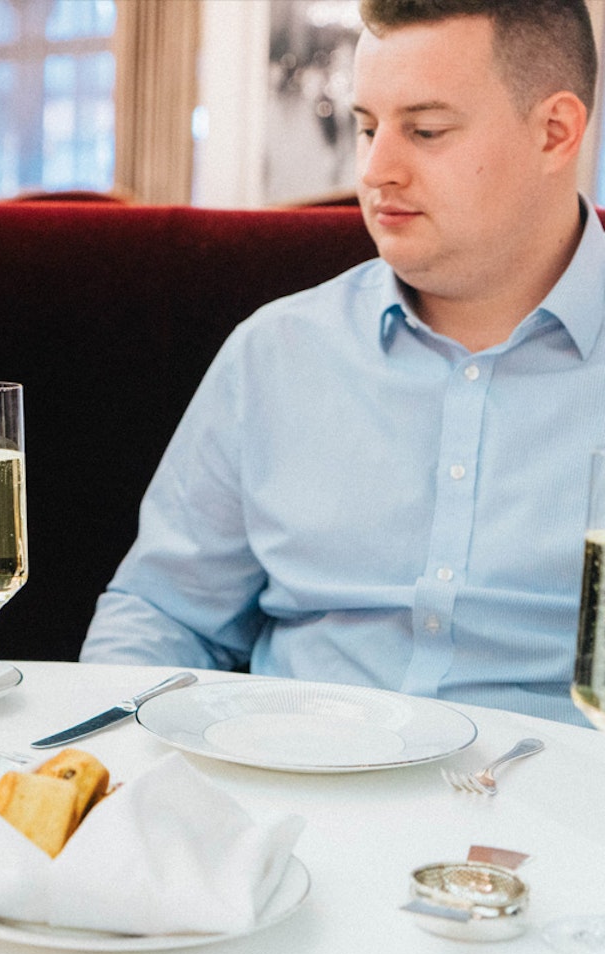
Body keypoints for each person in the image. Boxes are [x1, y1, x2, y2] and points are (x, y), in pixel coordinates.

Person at [81, 0, 601, 725]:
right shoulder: (275, 353)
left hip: (558, 818)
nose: (376, 168)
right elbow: (164, 615)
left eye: (425, 130)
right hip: (290, 800)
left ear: (555, 133)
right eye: (366, 127)